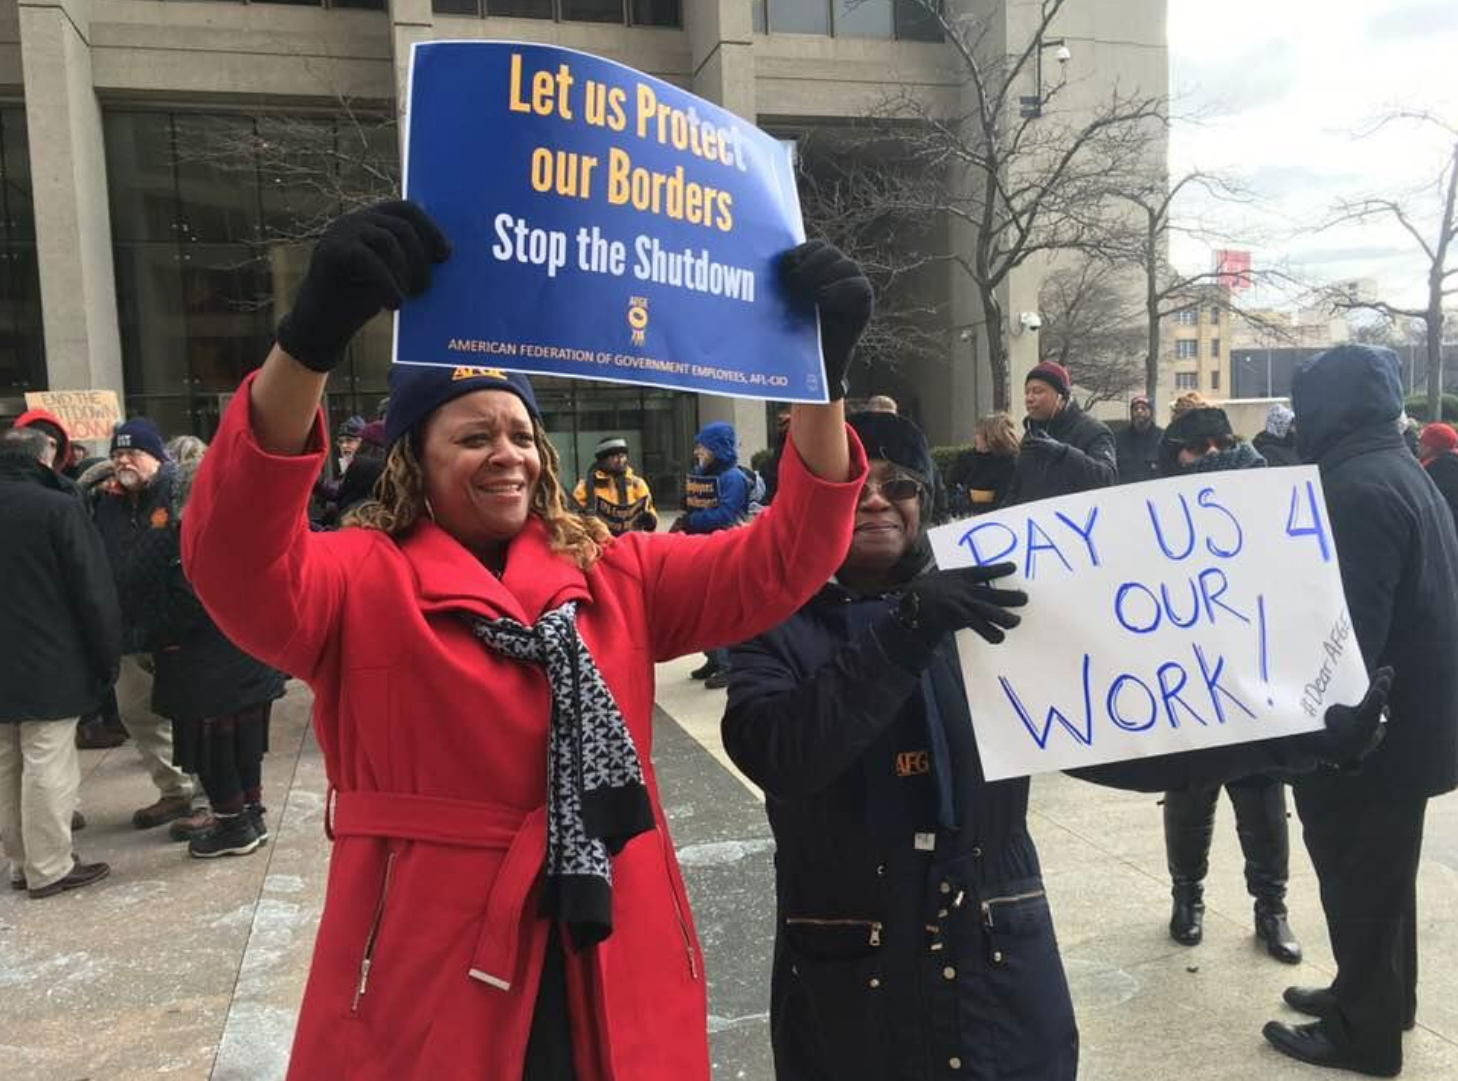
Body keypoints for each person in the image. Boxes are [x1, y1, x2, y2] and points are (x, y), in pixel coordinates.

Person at [180, 201, 873, 1081]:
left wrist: (820, 379)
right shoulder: (359, 580)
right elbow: (233, 560)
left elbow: (790, 554)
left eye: (520, 433)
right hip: (426, 964)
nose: (507, 453)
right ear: (414, 462)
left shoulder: (617, 573)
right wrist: (308, 341)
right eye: (472, 435)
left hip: (612, 932)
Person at [720, 409, 1391, 1081]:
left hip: (993, 961)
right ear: (807, 501)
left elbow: (1127, 732)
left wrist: (1297, 743)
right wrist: (905, 629)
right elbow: (780, 753)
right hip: (853, 974)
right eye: (852, 483)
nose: (874, 497)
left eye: (897, 482)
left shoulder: (987, 600)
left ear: (924, 494)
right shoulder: (770, 613)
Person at [1264, 344, 1458, 1077]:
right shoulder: (1400, 466)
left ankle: (1364, 1034)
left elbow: (1346, 633)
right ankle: (1378, 995)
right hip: (1408, 727)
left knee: (1357, 880)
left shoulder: (1353, 485)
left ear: (1329, 410)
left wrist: (1320, 729)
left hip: (1365, 739)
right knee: (1382, 879)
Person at [1154, 404, 1300, 964]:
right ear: (1178, 456)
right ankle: (1186, 897)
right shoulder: (1152, 506)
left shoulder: (1271, 492)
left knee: (1262, 796)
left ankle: (1272, 908)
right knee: (1189, 796)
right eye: (1196, 448)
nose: (1210, 455)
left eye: (1219, 442)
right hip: (1186, 678)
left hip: (1254, 673)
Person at [0, 428, 119, 898]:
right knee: (47, 761)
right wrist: (106, 655)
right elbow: (92, 590)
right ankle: (48, 866)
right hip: (49, 657)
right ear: (43, 458)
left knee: (6, 764)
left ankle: (20, 861)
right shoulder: (56, 507)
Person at [153, 449, 286, 858]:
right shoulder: (251, 525)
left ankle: (233, 826)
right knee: (244, 745)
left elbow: (186, 604)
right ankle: (250, 815)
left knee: (217, 753)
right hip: (247, 658)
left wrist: (154, 630)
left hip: (209, 665)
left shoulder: (196, 537)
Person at [92, 418, 203, 831]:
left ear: (155, 457)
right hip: (127, 629)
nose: (123, 461)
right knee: (137, 713)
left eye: (132, 454)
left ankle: (209, 794)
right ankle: (175, 790)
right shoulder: (105, 499)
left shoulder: (179, 491)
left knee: (193, 712)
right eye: (117, 455)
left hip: (178, 628)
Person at [676, 421, 752, 689]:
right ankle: (713, 657)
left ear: (717, 448)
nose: (698, 451)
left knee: (722, 607)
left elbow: (725, 514)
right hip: (703, 548)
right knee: (702, 606)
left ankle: (729, 663)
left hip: (726, 550)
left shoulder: (733, 478)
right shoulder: (702, 473)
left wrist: (692, 521)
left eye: (703, 446)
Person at [1002, 360, 1117, 506]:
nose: (1029, 399)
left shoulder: (1094, 431)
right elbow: (1017, 488)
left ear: (1061, 398)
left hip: (1076, 525)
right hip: (1036, 525)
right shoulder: (1032, 434)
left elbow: (1107, 479)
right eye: (1027, 392)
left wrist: (1062, 453)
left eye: (1037, 391)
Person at [571, 436, 658, 535]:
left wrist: (651, 519)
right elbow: (573, 517)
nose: (620, 460)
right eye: (614, 457)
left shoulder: (637, 484)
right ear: (602, 459)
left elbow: (649, 509)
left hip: (630, 542)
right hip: (598, 542)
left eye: (623, 456)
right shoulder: (585, 486)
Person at [945, 412, 1018, 515]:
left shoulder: (1010, 464)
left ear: (991, 436)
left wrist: (971, 499)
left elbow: (1002, 502)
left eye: (978, 433)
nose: (975, 437)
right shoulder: (965, 458)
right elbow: (949, 487)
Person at [1416, 422, 1458, 532]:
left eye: (1421, 441)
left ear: (1430, 447)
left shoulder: (1438, 469)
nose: (1417, 444)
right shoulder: (1451, 462)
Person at [1114, 394, 1163, 484]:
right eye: (1135, 409)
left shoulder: (1162, 438)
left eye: (1143, 408)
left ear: (1151, 412)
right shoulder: (1118, 439)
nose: (1139, 411)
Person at [1253, 403, 1301, 467]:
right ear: (1280, 426)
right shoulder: (1268, 454)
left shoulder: (1292, 447)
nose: (1294, 429)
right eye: (1291, 425)